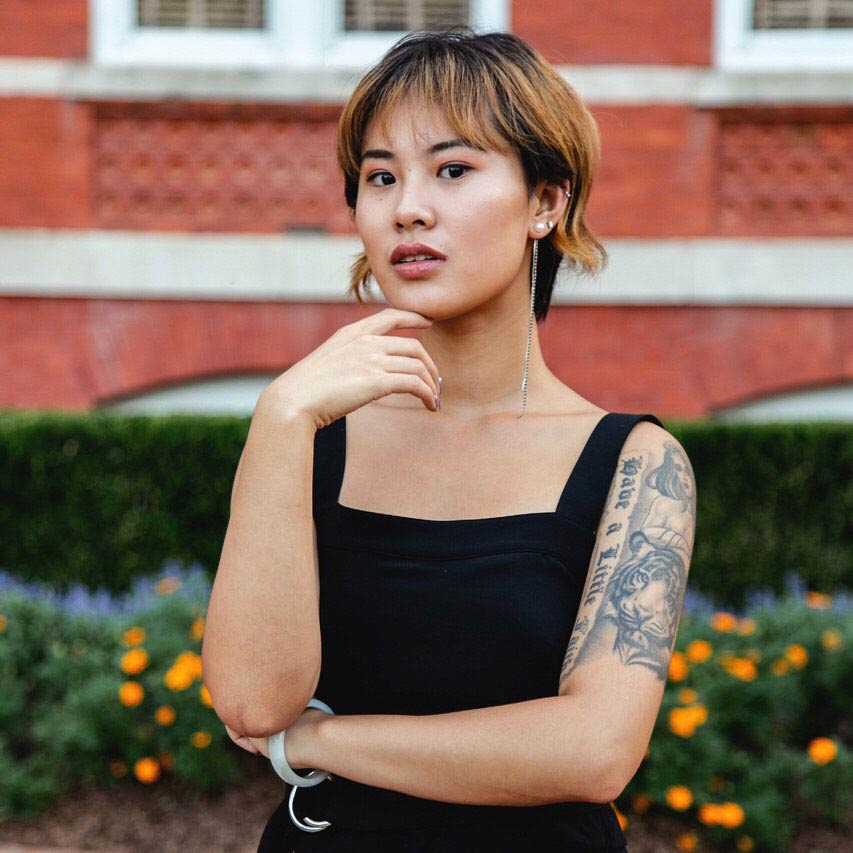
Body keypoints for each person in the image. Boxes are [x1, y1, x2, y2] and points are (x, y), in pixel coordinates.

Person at [201, 26, 697, 853]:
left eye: (453, 169)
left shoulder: (635, 465)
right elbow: (254, 704)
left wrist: (321, 741)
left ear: (547, 201)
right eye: (379, 175)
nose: (408, 207)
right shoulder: (308, 434)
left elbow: (594, 751)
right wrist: (280, 417)